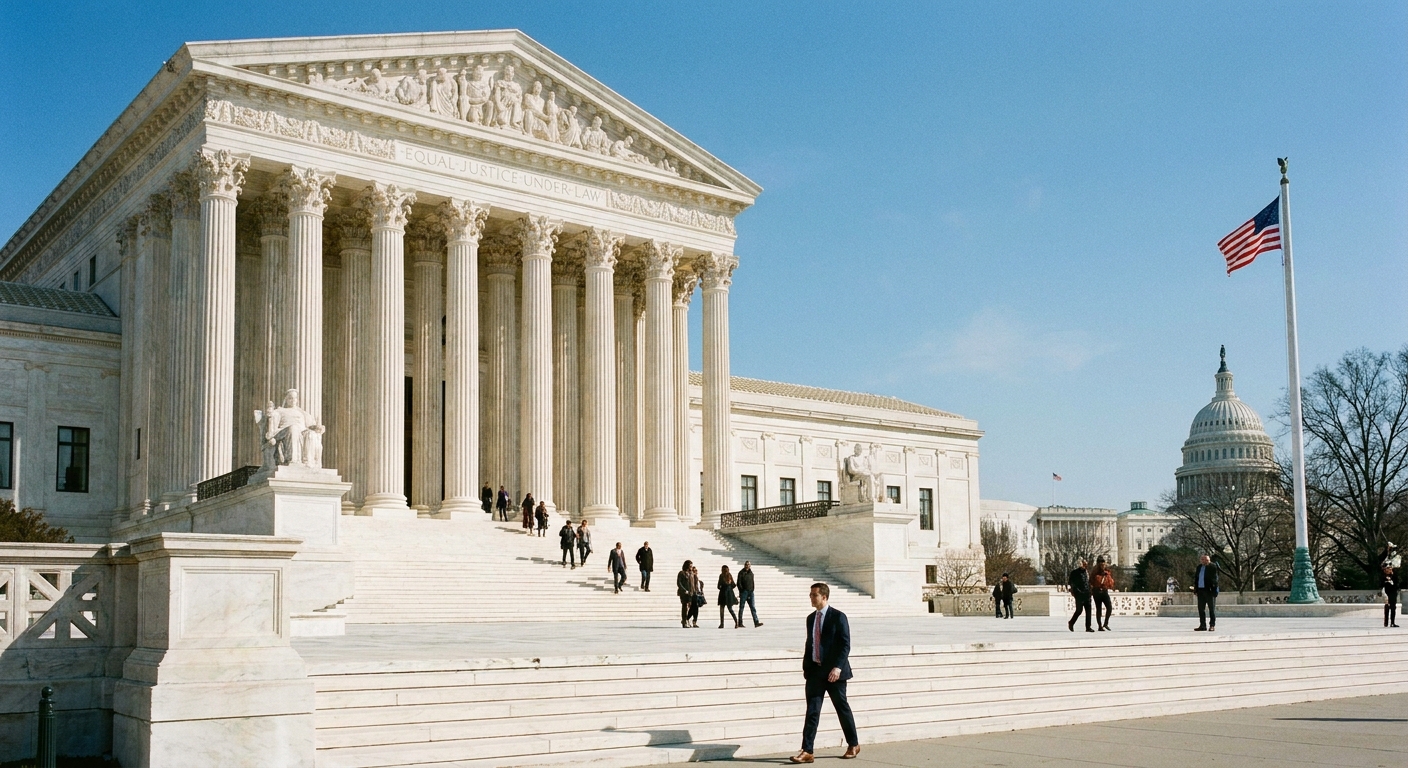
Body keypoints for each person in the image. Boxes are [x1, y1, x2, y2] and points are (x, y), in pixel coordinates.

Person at [791, 582, 860, 763]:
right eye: (810, 594)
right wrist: (807, 667)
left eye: (814, 595)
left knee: (841, 708)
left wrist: (837, 667)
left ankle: (853, 744)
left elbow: (845, 645)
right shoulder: (810, 618)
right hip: (815, 672)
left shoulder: (838, 617)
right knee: (812, 711)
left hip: (834, 673)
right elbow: (811, 643)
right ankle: (807, 751)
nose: (811, 598)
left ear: (824, 597)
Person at [1193, 554, 1219, 632]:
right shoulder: (1199, 567)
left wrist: (1214, 589)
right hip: (1200, 590)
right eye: (1203, 559)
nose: (1205, 561)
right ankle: (1202, 625)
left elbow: (1215, 579)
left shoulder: (1213, 566)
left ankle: (1212, 625)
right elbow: (1196, 578)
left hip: (1209, 591)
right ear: (1201, 560)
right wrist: (1196, 589)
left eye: (1207, 560)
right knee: (1201, 609)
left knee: (1212, 609)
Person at [1067, 559, 1093, 632]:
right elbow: (1071, 583)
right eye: (1084, 564)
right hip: (1079, 594)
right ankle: (1071, 622)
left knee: (1088, 611)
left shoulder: (1086, 572)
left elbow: (1088, 582)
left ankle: (1088, 627)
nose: (1085, 565)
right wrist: (1076, 591)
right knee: (1079, 610)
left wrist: (1090, 591)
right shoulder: (1075, 573)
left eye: (1086, 564)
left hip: (1087, 594)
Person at [1091, 557, 1115, 631]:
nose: (1103, 565)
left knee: (1109, 607)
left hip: (1104, 591)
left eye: (1104, 563)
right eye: (1101, 563)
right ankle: (1100, 626)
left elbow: (1111, 583)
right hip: (1097, 591)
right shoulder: (1095, 572)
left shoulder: (1107, 572)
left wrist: (1107, 576)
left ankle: (1105, 623)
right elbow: (1092, 581)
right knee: (1099, 609)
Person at [738, 561, 762, 627]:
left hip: (750, 592)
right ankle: (740, 622)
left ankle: (756, 622)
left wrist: (752, 589)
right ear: (744, 565)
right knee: (741, 608)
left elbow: (752, 582)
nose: (747, 565)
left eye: (748, 564)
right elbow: (739, 583)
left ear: (750, 565)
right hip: (744, 592)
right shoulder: (741, 573)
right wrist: (742, 590)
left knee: (753, 607)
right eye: (746, 564)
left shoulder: (751, 573)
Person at [677, 560, 696, 628]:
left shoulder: (691, 573)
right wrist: (684, 590)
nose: (691, 567)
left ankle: (687, 620)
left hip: (691, 592)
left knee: (691, 607)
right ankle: (684, 621)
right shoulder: (681, 573)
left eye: (692, 566)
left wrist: (695, 591)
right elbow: (679, 583)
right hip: (684, 593)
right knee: (685, 606)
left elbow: (693, 583)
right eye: (690, 566)